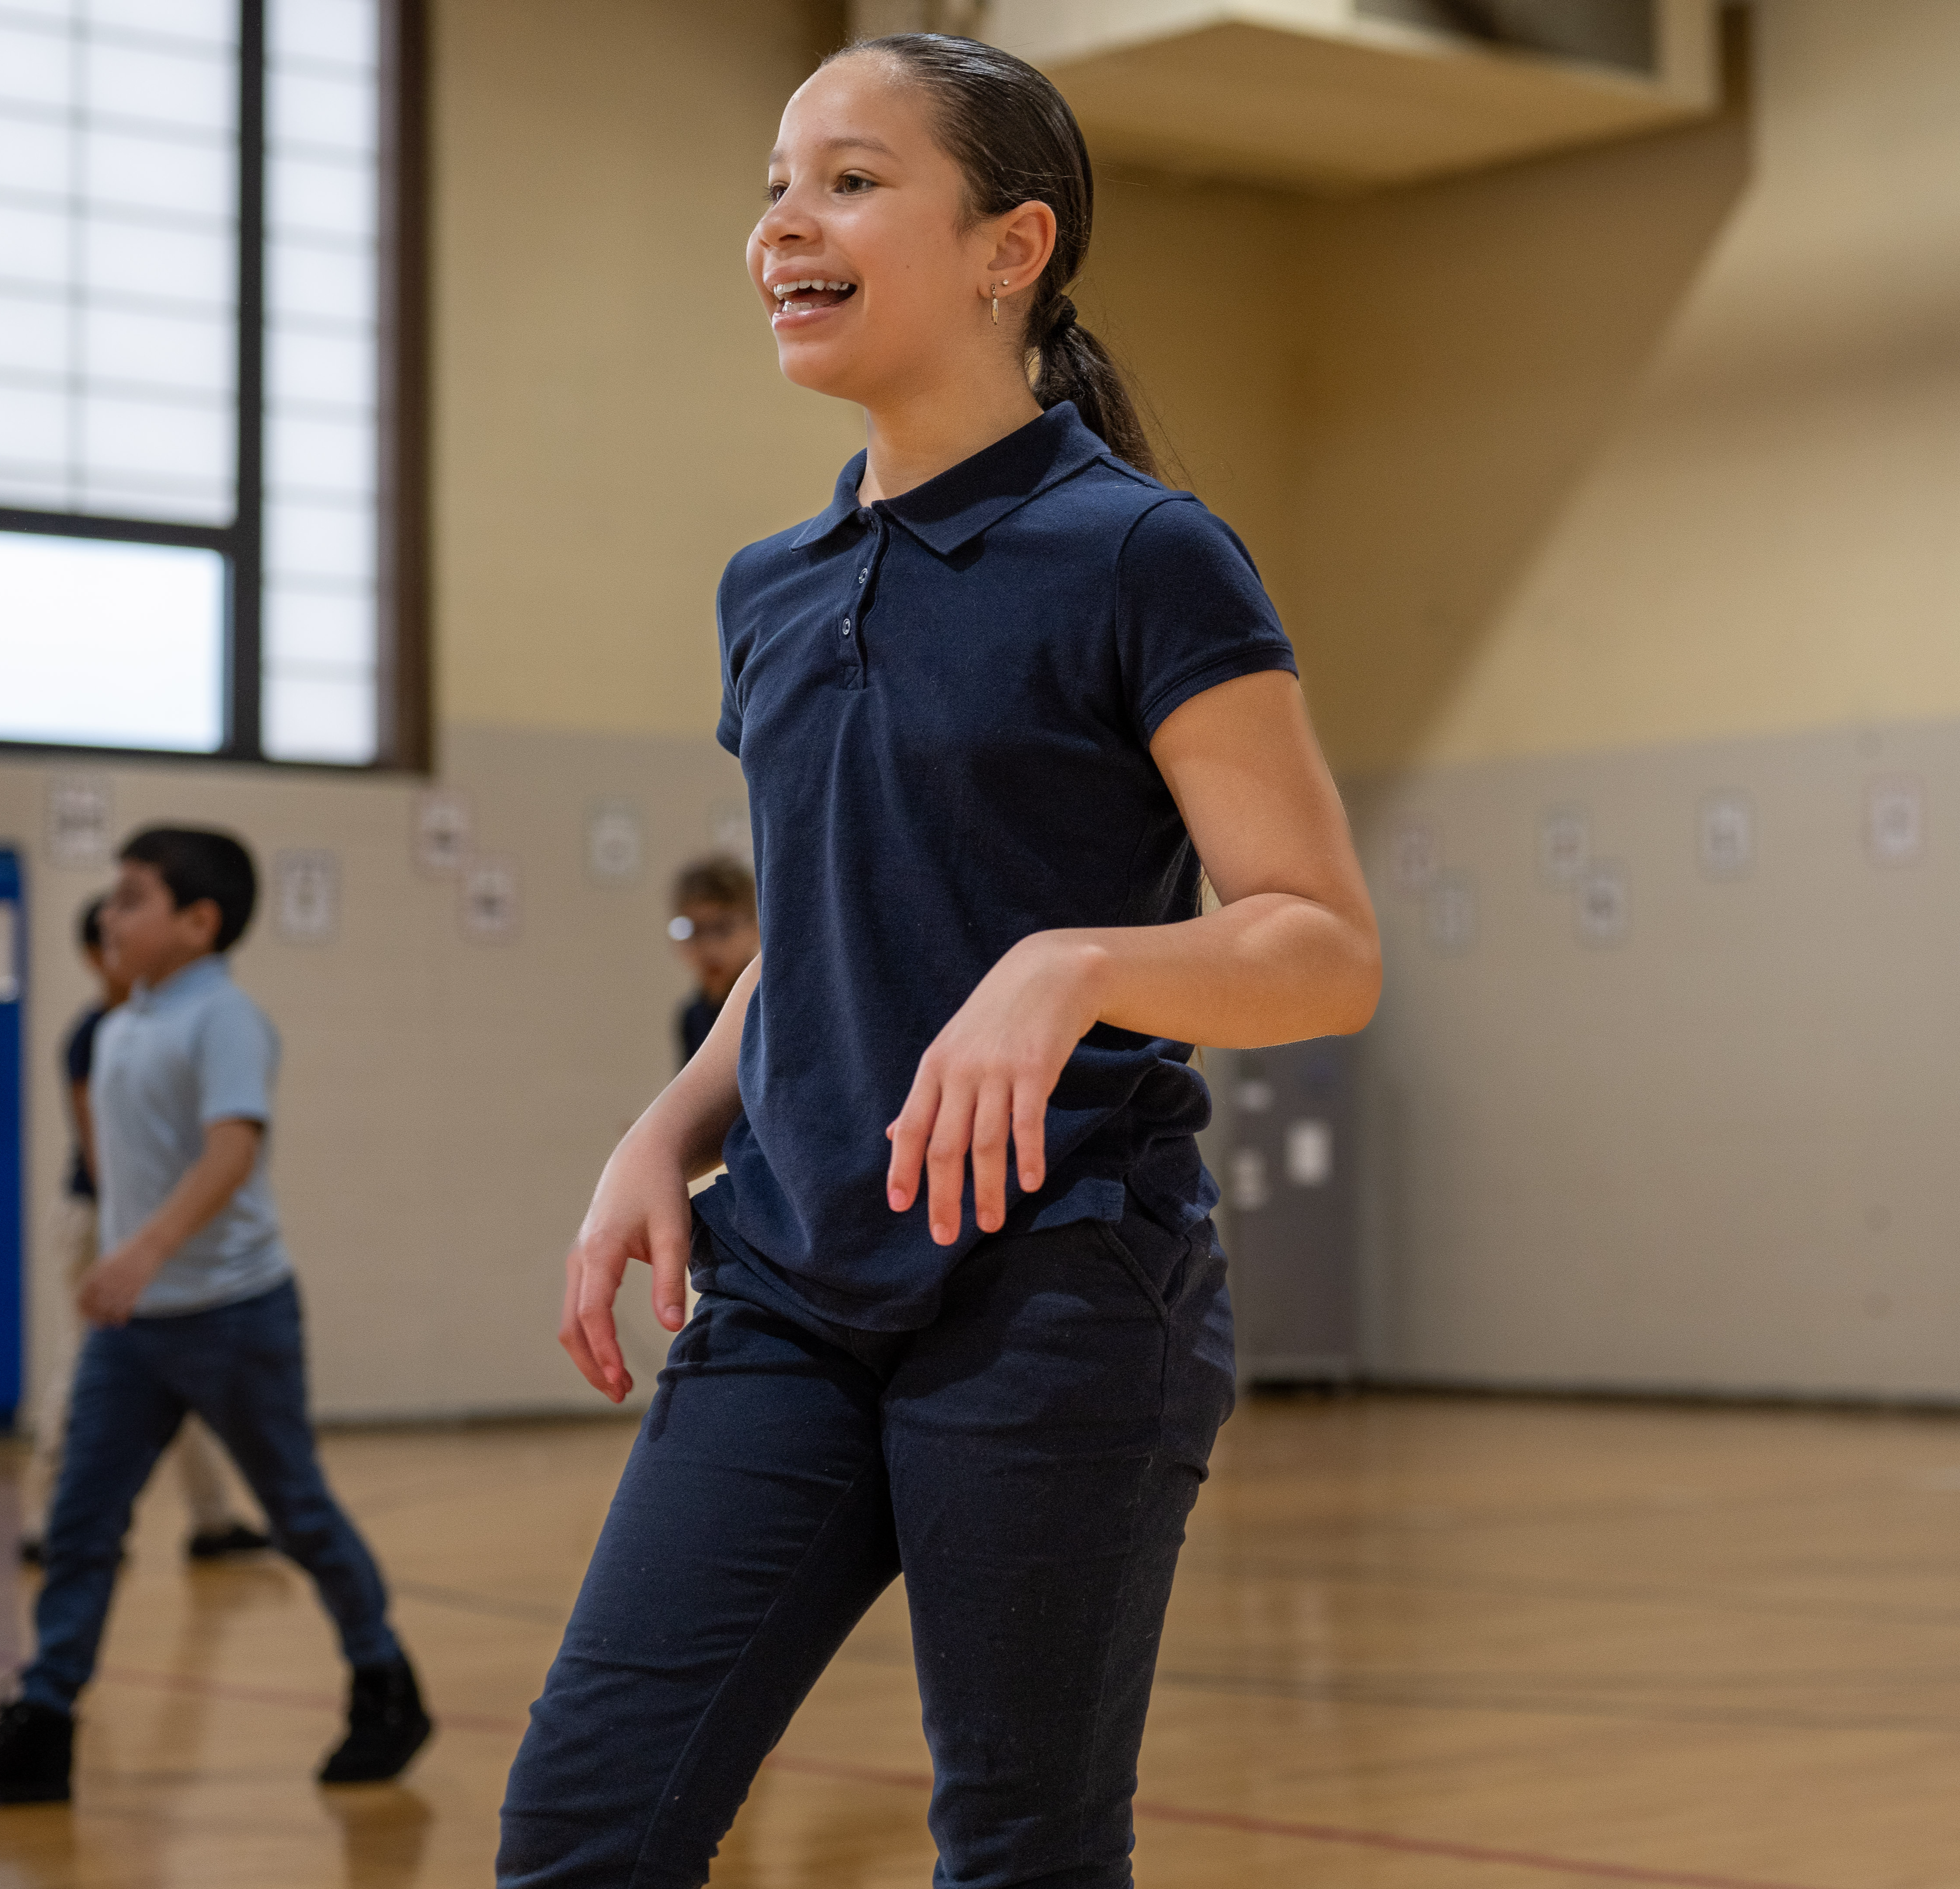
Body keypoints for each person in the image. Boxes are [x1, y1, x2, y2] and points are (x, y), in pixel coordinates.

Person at [498, 35, 1380, 1887]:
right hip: (787, 1289)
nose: (780, 224)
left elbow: (1314, 947)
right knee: (584, 1819)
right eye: (768, 183)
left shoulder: (1143, 556)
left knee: (1020, 1847)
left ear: (1008, 246)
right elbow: (823, 936)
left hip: (1057, 1287)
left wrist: (1068, 965)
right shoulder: (770, 583)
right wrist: (664, 1126)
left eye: (845, 178)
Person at [0, 828, 429, 1801]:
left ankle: (385, 1681)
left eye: (133, 897)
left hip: (233, 1317)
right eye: (113, 896)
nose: (111, 913)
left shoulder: (224, 1020)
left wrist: (138, 1249)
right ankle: (44, 1723)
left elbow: (229, 1154)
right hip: (135, 1331)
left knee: (298, 1511)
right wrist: (122, 1250)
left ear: (199, 923)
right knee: (82, 1520)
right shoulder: (116, 1025)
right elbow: (118, 1160)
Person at [21, 894, 269, 1568]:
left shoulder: (175, 1022)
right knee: (85, 1368)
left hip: (151, 1224)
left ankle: (212, 1520)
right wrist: (137, 1238)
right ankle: (46, 1517)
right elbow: (103, 1150)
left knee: (181, 1367)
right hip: (100, 1220)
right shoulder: (94, 1034)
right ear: (94, 954)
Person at [666, 854, 759, 1067]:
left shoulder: (767, 1010)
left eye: (722, 928)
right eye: (694, 930)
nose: (709, 947)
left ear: (755, 929)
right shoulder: (691, 1017)